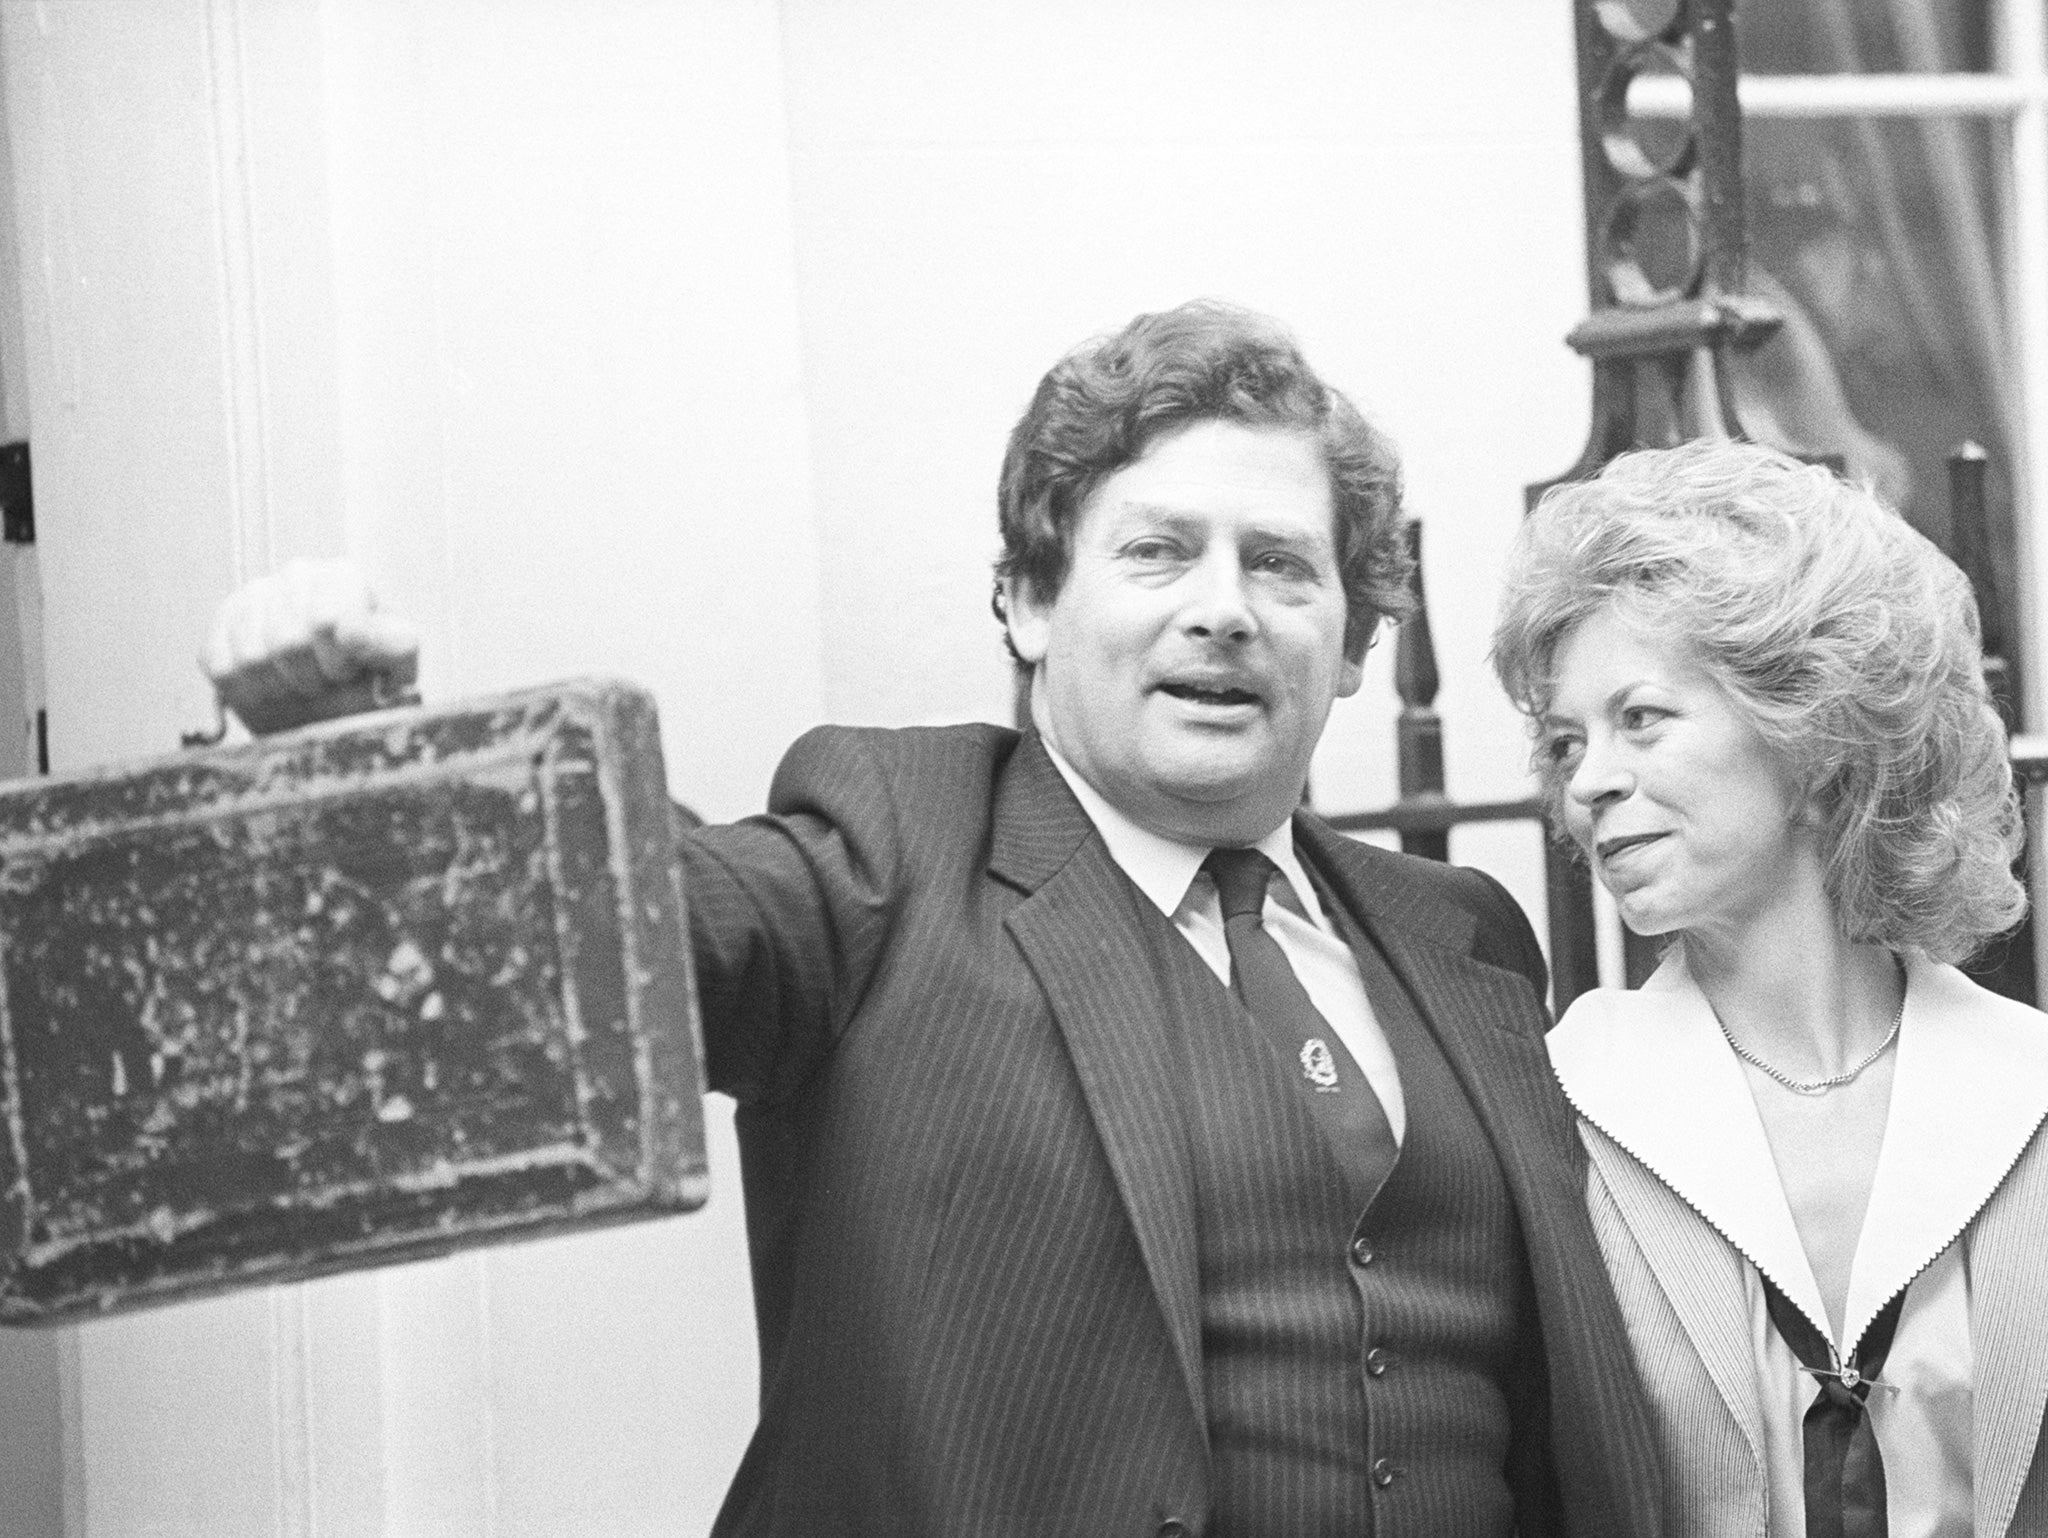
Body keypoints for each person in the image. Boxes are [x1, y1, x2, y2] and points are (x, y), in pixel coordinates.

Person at [205, 300, 1662, 1537]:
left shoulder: (1463, 936)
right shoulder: (889, 849)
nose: (1225, 608)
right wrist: (356, 755)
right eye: (1157, 552)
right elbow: (598, 917)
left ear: (1353, 645)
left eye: (1282, 564)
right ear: (1029, 602)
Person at [1491, 438, 2048, 1538]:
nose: (1586, 779)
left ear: (1808, 728)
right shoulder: (1558, 1103)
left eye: (1638, 717)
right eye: (1565, 742)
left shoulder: (2024, 1088)